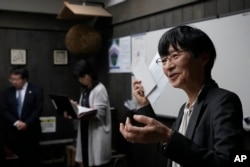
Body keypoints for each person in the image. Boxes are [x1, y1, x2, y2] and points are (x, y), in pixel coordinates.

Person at [119, 25, 244, 167]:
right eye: (164, 60)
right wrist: (144, 105)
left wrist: (168, 137)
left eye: (175, 56)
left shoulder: (224, 101)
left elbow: (233, 161)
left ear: (204, 57)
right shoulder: (183, 108)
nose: (168, 66)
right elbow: (171, 147)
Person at [64, 59, 112, 167]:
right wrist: (74, 109)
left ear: (90, 74)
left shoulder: (99, 89)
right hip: (85, 132)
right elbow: (84, 109)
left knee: (97, 162)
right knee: (86, 161)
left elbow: (98, 114)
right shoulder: (85, 90)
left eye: (83, 77)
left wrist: (79, 109)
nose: (81, 80)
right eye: (79, 78)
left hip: (97, 133)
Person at [1, 66, 43, 167]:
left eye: (17, 79)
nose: (13, 82)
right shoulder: (7, 92)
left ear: (25, 79)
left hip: (31, 131)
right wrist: (16, 123)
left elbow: (38, 110)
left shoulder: (36, 90)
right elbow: (4, 110)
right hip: (13, 133)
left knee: (32, 159)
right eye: (12, 79)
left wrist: (26, 123)